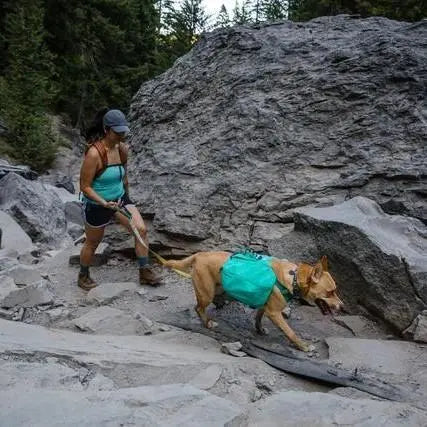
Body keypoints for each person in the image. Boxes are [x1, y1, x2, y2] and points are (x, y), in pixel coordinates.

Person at [78, 108, 161, 290]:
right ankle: (83, 275)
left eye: (123, 131)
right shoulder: (94, 154)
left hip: (120, 199)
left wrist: (126, 196)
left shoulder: (122, 149)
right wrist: (103, 202)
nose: (122, 135)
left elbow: (123, 176)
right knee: (92, 243)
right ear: (107, 129)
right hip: (97, 204)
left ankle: (144, 271)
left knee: (141, 231)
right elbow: (85, 187)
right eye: (118, 132)